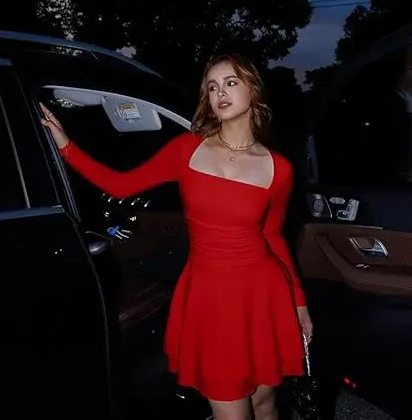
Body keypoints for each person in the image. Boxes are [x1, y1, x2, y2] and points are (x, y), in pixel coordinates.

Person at [41, 53, 313, 420]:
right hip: (211, 299)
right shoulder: (187, 149)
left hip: (262, 293)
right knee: (231, 409)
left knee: (265, 403)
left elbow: (273, 238)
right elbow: (120, 185)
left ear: (253, 90)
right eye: (212, 87)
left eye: (231, 82)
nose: (220, 93)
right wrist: (66, 147)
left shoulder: (279, 168)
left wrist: (299, 304)